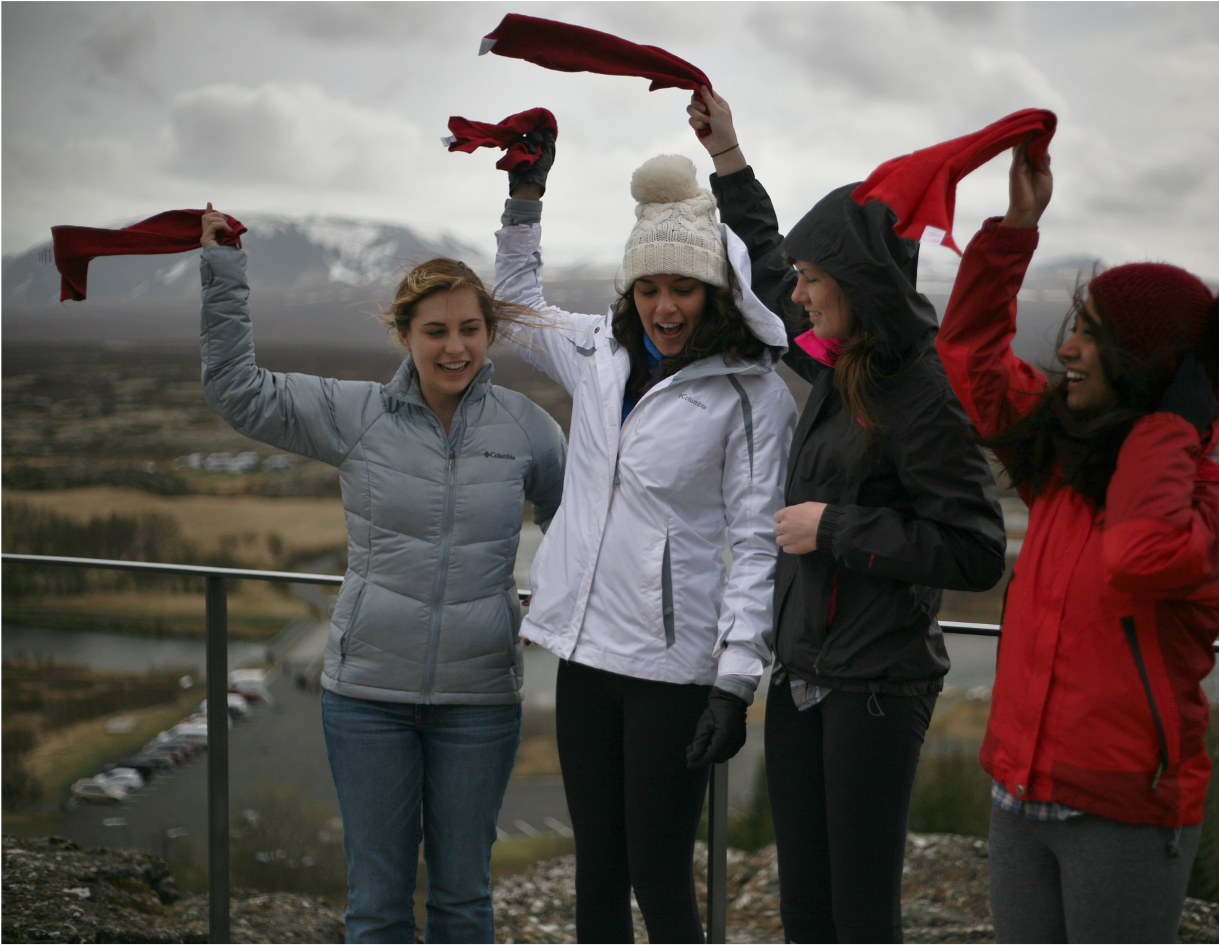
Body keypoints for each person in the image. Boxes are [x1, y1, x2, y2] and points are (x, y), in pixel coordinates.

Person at [934, 141, 1219, 943]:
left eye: (1090, 335)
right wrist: (1014, 230)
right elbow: (972, 360)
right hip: (1018, 788)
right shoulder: (1069, 450)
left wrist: (1166, 425)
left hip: (1124, 806)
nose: (1067, 348)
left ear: (1149, 364)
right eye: (1075, 326)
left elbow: (1143, 555)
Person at [195, 205, 566, 945]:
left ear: (489, 333)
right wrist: (222, 272)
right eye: (436, 331)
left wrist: (550, 609)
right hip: (367, 697)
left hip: (479, 699)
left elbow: (574, 530)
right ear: (405, 336)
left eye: (470, 329)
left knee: (463, 898)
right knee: (377, 904)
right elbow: (239, 392)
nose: (455, 347)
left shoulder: (528, 427)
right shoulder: (357, 413)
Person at [689, 92, 1008, 944]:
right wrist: (729, 160)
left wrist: (834, 528)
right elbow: (768, 267)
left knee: (859, 914)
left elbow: (977, 550)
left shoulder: (920, 393)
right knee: (806, 909)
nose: (797, 293)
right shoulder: (840, 359)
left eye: (815, 278)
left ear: (859, 285)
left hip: (875, 687)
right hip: (802, 677)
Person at [491, 148, 797, 942]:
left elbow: (758, 545)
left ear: (717, 292)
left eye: (683, 287)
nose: (664, 306)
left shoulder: (751, 394)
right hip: (585, 653)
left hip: (672, 668)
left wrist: (735, 681)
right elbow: (512, 308)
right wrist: (525, 196)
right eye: (648, 286)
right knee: (598, 868)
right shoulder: (596, 351)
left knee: (658, 874)